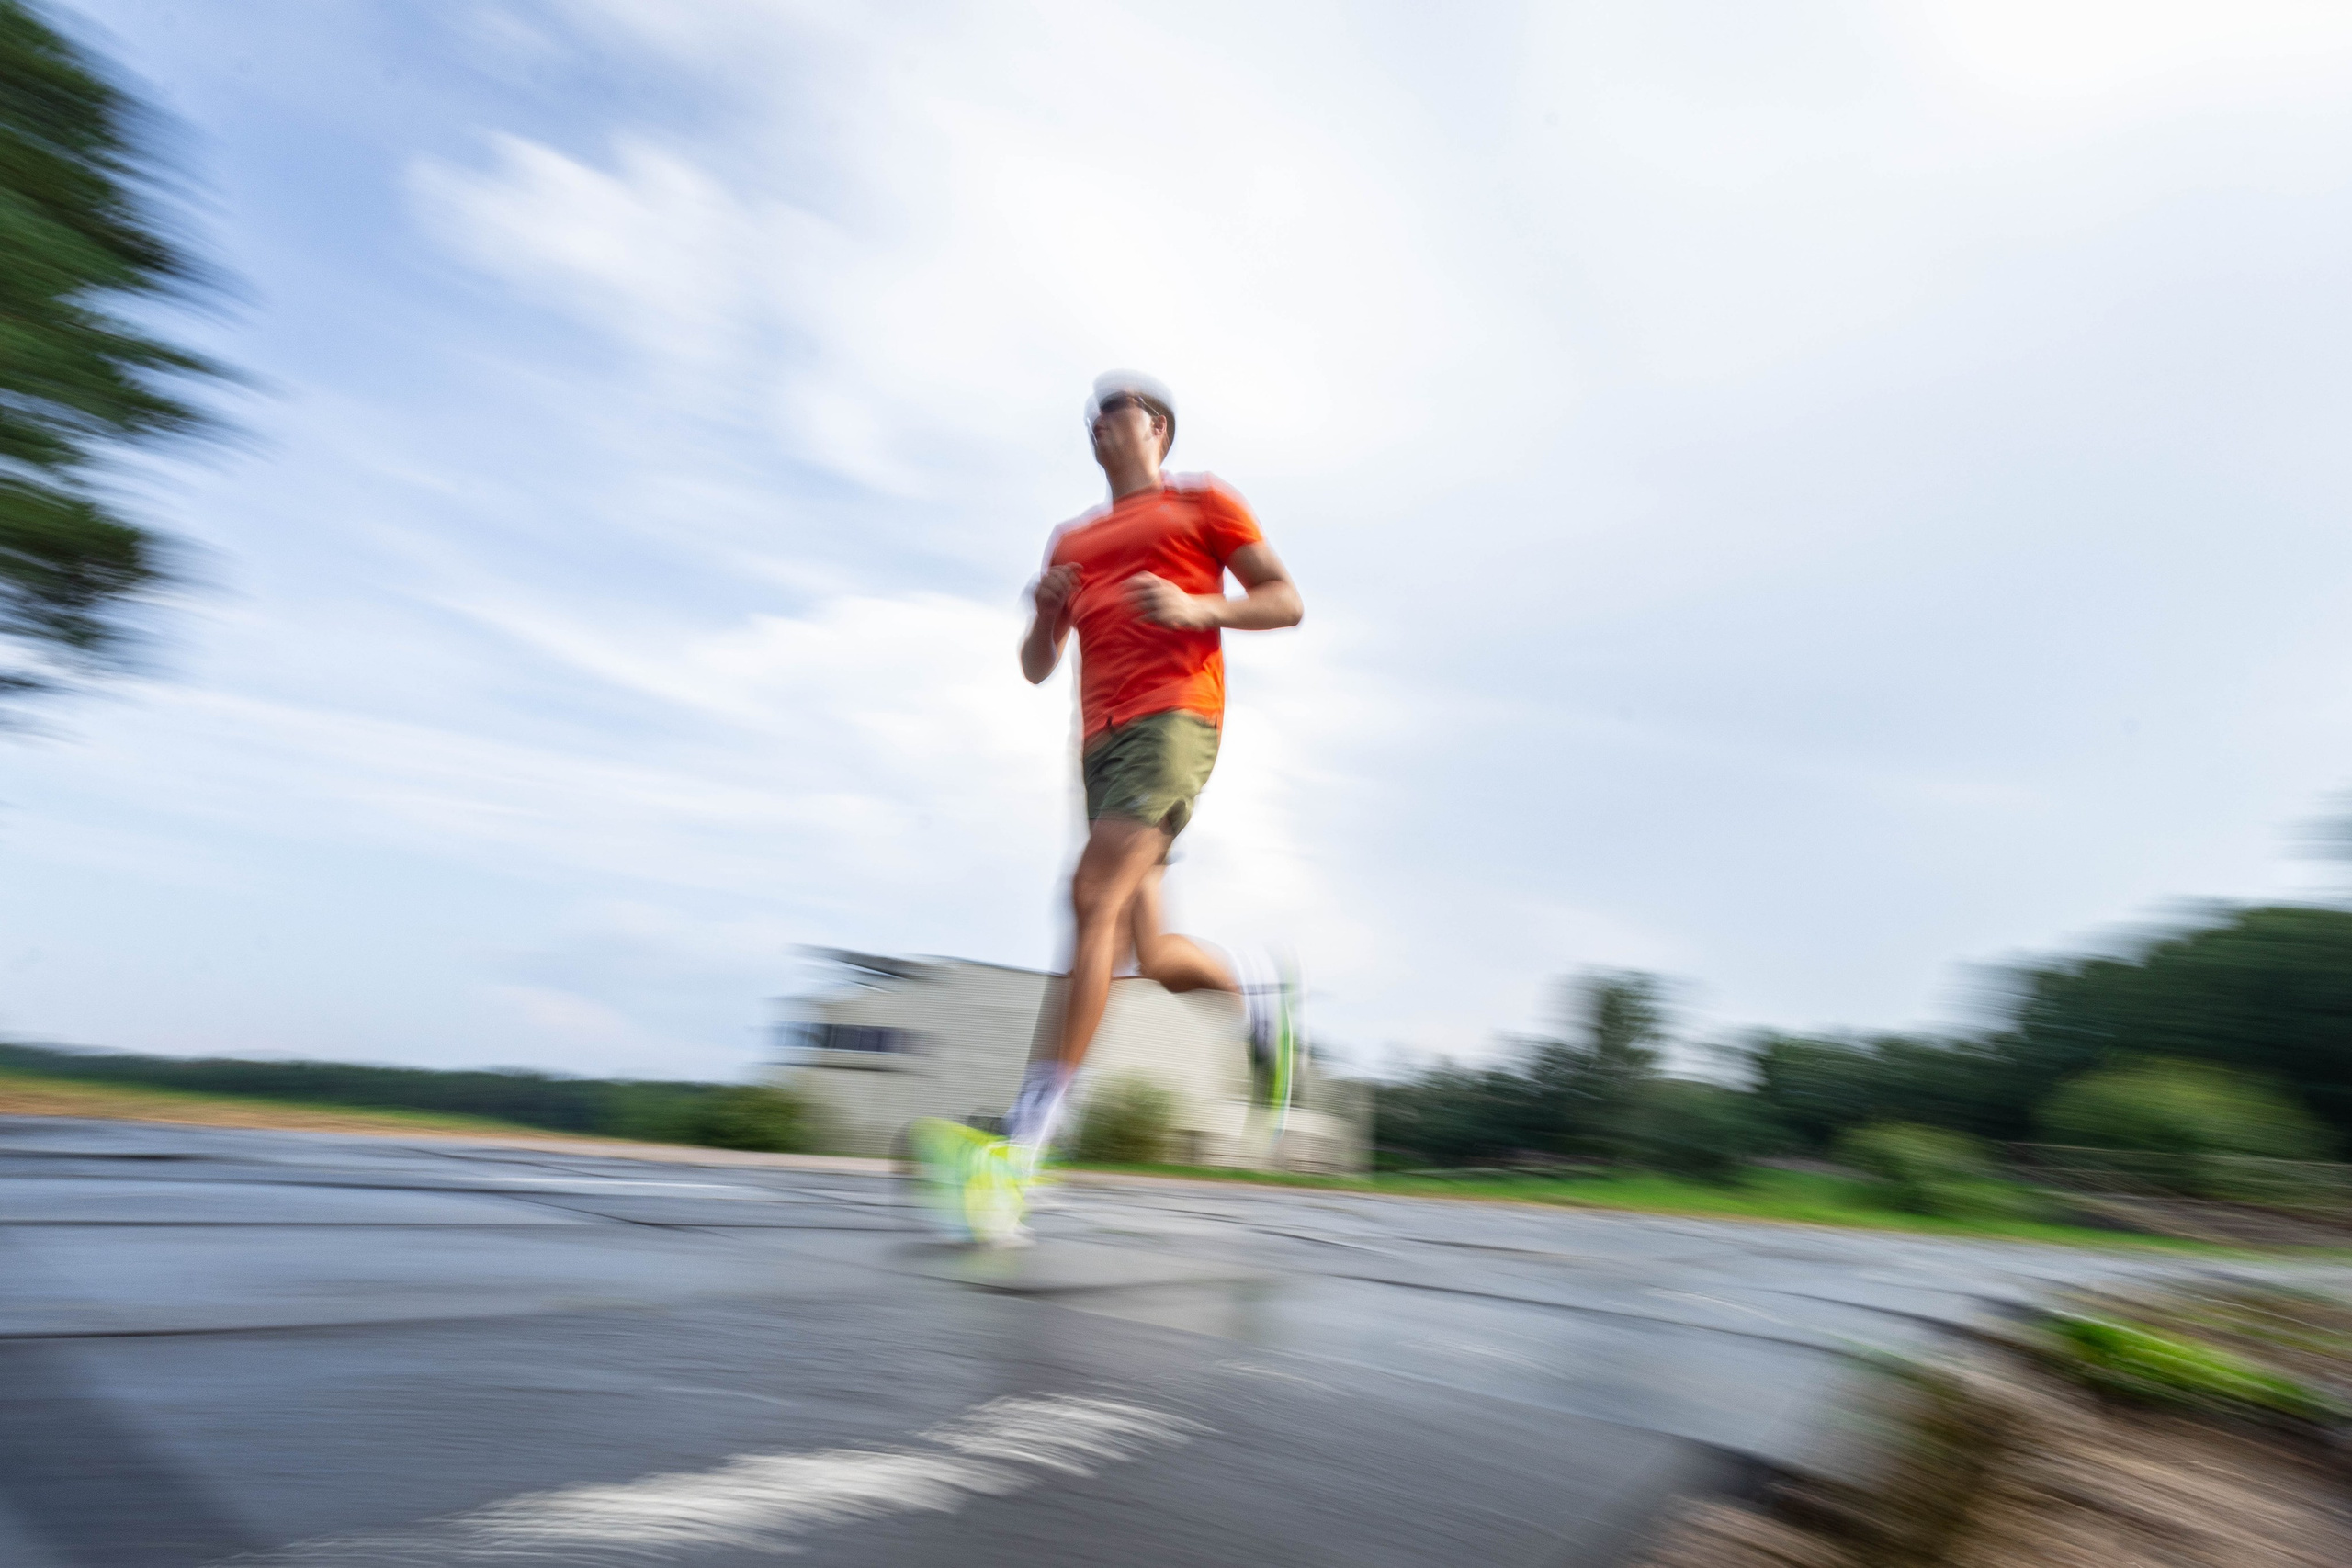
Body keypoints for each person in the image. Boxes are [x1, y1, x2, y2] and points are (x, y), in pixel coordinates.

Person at [911, 372, 1303, 1245]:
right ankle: (1260, 1004)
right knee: (1149, 950)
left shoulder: (1204, 502)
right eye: (1091, 417)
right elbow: (1035, 667)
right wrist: (1046, 616)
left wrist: (1197, 603)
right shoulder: (1074, 536)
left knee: (1087, 899)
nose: (1098, 422)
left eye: (1115, 408)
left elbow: (1285, 600)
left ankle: (1024, 1147)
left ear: (1156, 426)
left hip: (1175, 721)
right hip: (1099, 743)